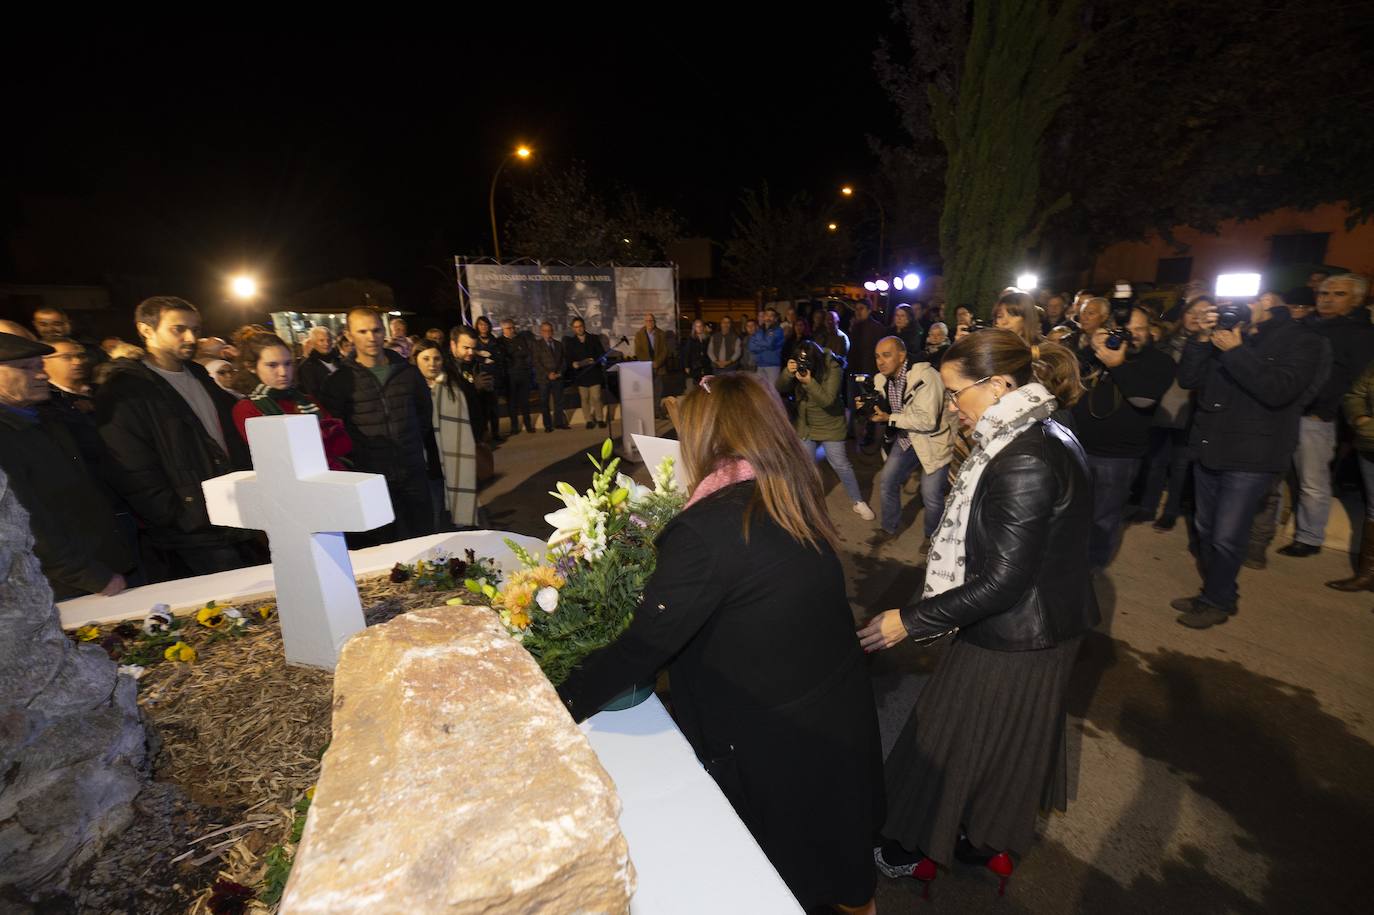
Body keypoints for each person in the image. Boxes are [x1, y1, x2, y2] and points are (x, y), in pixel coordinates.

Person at [557, 372, 884, 914]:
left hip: (771, 737)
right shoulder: (787, 488)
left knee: (776, 878)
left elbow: (642, 645)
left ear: (708, 437)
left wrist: (557, 703)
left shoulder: (710, 527)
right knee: (844, 869)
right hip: (830, 710)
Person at [858, 328, 1097, 895]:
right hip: (1043, 630)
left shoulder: (1024, 457)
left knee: (945, 740)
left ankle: (911, 847)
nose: (950, 408)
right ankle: (984, 840)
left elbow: (1003, 582)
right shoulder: (1040, 431)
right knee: (1009, 741)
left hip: (1017, 635)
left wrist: (908, 621)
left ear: (999, 385)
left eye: (955, 393)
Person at [1171, 294, 1323, 629]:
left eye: (1245, 299)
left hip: (1251, 456)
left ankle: (1217, 600)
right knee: (1205, 530)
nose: (1231, 307)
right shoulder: (1226, 332)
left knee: (1227, 536)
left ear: (1269, 300)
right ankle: (1217, 592)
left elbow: (1279, 390)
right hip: (1211, 446)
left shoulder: (1302, 341)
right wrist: (1200, 338)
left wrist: (1236, 352)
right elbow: (1189, 380)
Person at [96, 296, 260, 578]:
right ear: (146, 330)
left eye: (195, 329)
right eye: (178, 328)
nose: (190, 337)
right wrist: (179, 516)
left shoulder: (199, 375)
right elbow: (132, 468)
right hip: (191, 533)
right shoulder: (125, 390)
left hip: (235, 517)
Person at [0, 333, 134, 599]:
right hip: (71, 585)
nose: (41, 376)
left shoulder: (48, 418)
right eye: (27, 368)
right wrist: (90, 576)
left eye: (40, 366)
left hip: (105, 562)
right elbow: (27, 524)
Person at [1071, 305, 1177, 567]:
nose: (1133, 335)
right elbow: (1067, 375)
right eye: (1125, 329)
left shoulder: (1160, 361)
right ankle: (1066, 563)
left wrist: (1116, 365)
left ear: (1151, 331)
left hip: (1117, 457)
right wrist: (1090, 349)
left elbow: (1143, 400)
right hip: (1077, 448)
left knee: (1103, 520)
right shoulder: (1100, 352)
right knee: (1071, 514)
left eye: (1139, 328)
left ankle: (1091, 571)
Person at [1278, 274, 1374, 557]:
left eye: (1338, 294)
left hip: (1318, 417)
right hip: (1286, 409)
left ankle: (1309, 537)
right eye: (1323, 293)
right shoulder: (1305, 326)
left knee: (1312, 480)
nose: (1328, 299)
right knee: (1274, 475)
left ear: (1356, 299)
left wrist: (1329, 410)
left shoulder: (1362, 335)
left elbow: (1358, 383)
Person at [321, 307, 435, 545]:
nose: (371, 337)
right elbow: (336, 428)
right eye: (362, 331)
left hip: (412, 469)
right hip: (372, 475)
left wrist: (410, 444)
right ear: (349, 335)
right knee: (384, 544)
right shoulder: (340, 381)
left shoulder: (409, 373)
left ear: (384, 331)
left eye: (375, 330)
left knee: (424, 538)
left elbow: (424, 415)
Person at [863, 336, 956, 550]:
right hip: (908, 437)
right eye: (877, 356)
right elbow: (886, 407)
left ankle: (933, 538)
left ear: (902, 356)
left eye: (887, 355)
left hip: (934, 439)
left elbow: (927, 420)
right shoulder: (884, 379)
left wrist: (889, 418)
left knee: (930, 494)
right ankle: (888, 529)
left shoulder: (926, 377)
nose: (880, 361)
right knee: (887, 481)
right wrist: (868, 407)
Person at [777, 340, 873, 522]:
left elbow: (828, 400)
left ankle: (858, 501)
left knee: (840, 464)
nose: (804, 364)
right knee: (807, 467)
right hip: (806, 425)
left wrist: (809, 382)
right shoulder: (797, 367)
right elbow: (779, 388)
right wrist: (787, 373)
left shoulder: (832, 366)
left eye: (807, 361)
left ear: (816, 359)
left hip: (830, 424)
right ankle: (807, 503)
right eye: (800, 360)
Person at [1136, 296, 1208, 531]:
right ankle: (1147, 507)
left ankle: (1170, 512)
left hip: (1190, 412)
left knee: (1179, 467)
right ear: (1183, 314)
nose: (1197, 317)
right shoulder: (1167, 341)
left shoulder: (1212, 345)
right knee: (1156, 462)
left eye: (1203, 312)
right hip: (1163, 409)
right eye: (1192, 312)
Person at [232, 333, 352, 471]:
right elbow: (276, 454)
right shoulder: (247, 408)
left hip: (333, 473)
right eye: (272, 365)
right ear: (251, 367)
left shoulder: (307, 399)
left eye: (288, 364)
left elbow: (341, 444)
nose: (283, 372)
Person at [431, 326, 484, 529]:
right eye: (466, 347)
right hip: (454, 445)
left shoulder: (466, 366)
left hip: (467, 440)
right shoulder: (444, 370)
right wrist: (474, 386)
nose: (470, 352)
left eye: (473, 348)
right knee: (454, 496)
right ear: (452, 344)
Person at [565, 317, 607, 429]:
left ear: (584, 326)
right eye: (576, 327)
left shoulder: (593, 338)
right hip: (581, 375)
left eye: (580, 326)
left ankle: (600, 418)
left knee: (596, 397)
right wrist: (574, 364)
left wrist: (597, 360)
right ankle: (588, 420)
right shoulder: (571, 342)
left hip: (594, 373)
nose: (579, 329)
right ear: (573, 329)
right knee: (584, 399)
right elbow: (569, 359)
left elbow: (601, 354)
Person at [498, 318, 536, 435]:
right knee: (512, 404)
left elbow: (526, 353)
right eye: (509, 328)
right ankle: (514, 426)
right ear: (503, 329)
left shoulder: (521, 338)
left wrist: (514, 353)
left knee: (525, 402)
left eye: (513, 327)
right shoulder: (500, 341)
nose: (512, 330)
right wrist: (516, 352)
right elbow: (504, 357)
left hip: (523, 374)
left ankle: (528, 424)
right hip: (510, 376)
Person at [472, 316, 506, 444]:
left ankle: (496, 434)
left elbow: (499, 357)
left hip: (493, 378)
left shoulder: (494, 340)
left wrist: (487, 355)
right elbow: (473, 357)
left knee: (494, 409)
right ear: (477, 326)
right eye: (481, 324)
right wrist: (482, 358)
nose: (483, 327)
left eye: (485, 324)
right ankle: (484, 434)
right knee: (482, 409)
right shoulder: (474, 341)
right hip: (480, 377)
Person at [531, 321, 569, 432]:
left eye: (549, 330)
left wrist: (559, 372)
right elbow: (536, 362)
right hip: (544, 379)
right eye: (545, 330)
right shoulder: (536, 345)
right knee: (544, 403)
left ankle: (559, 423)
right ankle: (547, 425)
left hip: (558, 377)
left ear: (552, 331)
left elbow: (563, 361)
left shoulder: (558, 344)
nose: (547, 332)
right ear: (541, 332)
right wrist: (548, 374)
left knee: (559, 401)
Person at [633, 314, 670, 415]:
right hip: (646, 368)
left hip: (659, 367)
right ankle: (648, 412)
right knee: (647, 391)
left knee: (658, 391)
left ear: (655, 321)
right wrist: (649, 363)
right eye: (648, 321)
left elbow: (665, 350)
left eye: (651, 320)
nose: (650, 323)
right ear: (645, 322)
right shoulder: (639, 334)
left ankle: (657, 411)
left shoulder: (661, 334)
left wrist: (657, 363)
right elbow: (638, 351)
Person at [297, 325, 341, 399]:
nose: (326, 343)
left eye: (329, 339)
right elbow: (312, 393)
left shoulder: (338, 360)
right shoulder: (307, 366)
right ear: (313, 342)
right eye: (321, 340)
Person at [748, 308, 786, 384]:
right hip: (760, 365)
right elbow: (751, 347)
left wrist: (758, 343)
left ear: (775, 319)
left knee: (773, 391)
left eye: (771, 316)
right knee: (761, 390)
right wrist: (765, 344)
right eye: (767, 315)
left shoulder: (778, 330)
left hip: (773, 366)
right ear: (764, 317)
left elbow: (770, 344)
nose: (768, 318)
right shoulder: (759, 331)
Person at [681, 319, 712, 388]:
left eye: (700, 326)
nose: (699, 328)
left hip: (706, 365)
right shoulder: (691, 339)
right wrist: (686, 366)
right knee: (697, 385)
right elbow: (687, 353)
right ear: (694, 328)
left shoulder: (707, 338)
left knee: (707, 384)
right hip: (695, 366)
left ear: (703, 327)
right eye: (697, 326)